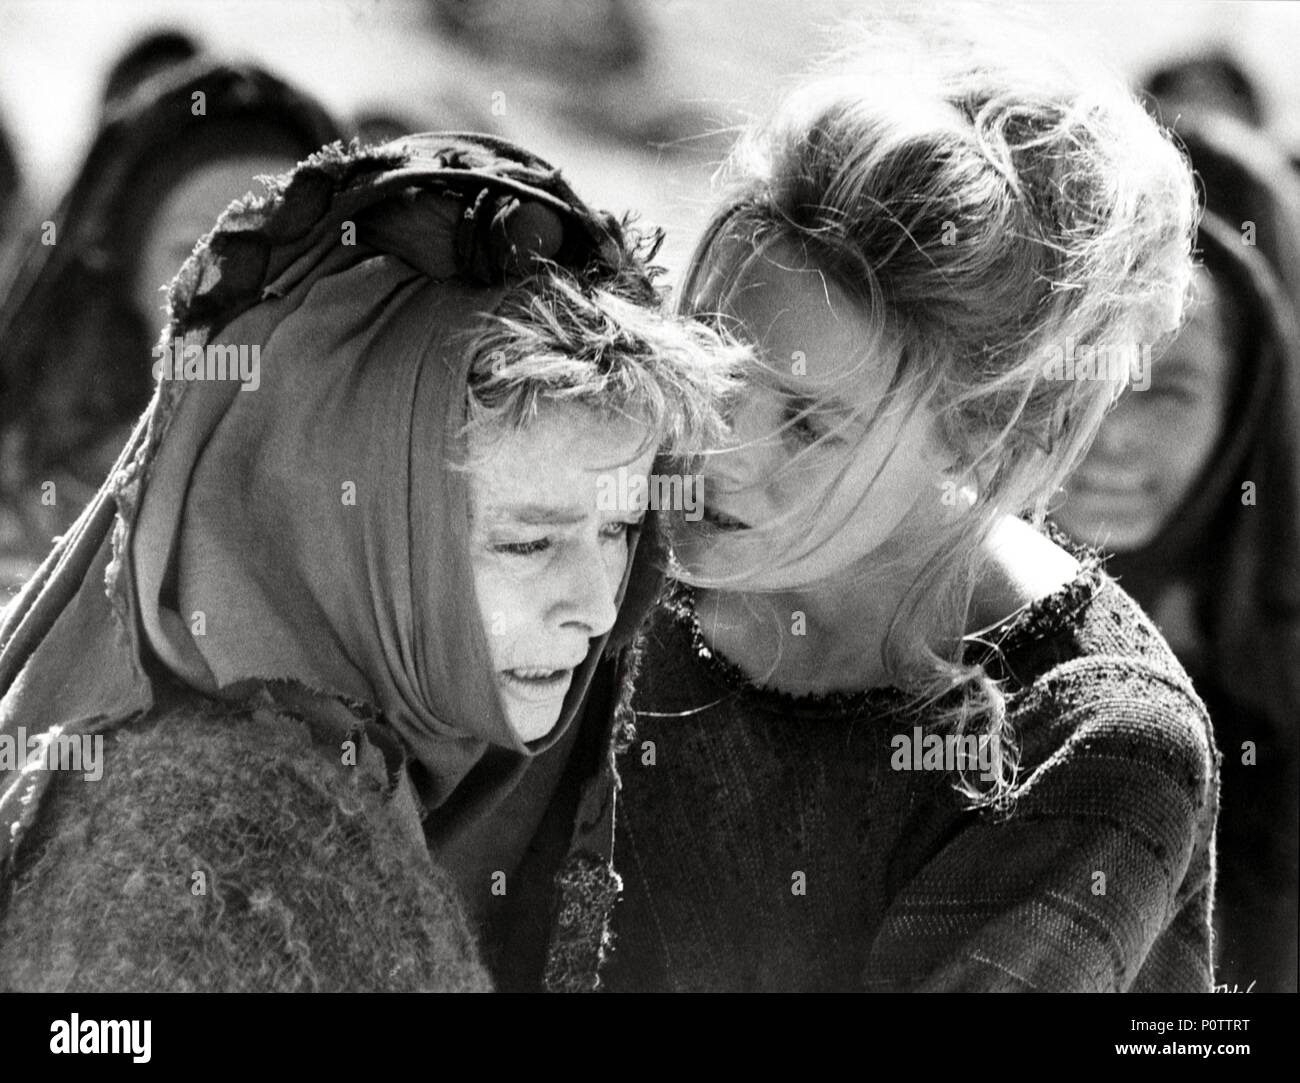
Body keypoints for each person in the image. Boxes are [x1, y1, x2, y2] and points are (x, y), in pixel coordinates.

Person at [0, 132, 742, 992]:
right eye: (526, 541)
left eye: (617, 532)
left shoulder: (333, 795)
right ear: (345, 539)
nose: (598, 608)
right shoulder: (222, 880)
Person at [596, 21, 1216, 992]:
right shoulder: (588, 567)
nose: (712, 448)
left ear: (983, 443)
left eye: (806, 424)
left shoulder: (1089, 750)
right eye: (708, 364)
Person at [1053, 113, 1300, 993]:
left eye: (1169, 388)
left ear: (1239, 420)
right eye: (1081, 374)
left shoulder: (1275, 706)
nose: (1110, 436)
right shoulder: (914, 641)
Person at [0, 58, 340, 598]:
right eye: (197, 252)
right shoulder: (29, 519)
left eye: (284, 251)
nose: (245, 292)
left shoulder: (378, 501)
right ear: (131, 282)